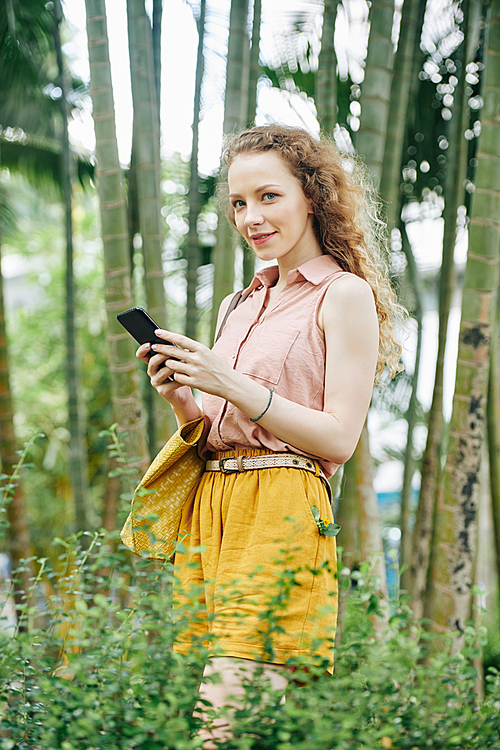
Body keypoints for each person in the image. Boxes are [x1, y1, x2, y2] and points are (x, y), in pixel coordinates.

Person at [136, 123, 404, 746]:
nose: (250, 217)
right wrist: (183, 399)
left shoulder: (344, 296)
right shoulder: (240, 304)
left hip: (282, 507)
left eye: (268, 197)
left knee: (223, 720)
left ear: (312, 195)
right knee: (237, 710)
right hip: (215, 512)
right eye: (237, 202)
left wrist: (229, 382)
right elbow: (215, 433)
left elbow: (338, 438)